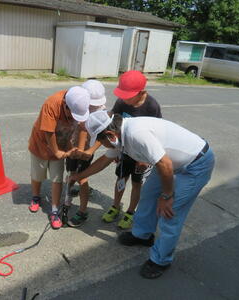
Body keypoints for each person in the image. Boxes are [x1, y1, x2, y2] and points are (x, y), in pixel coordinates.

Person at [70, 110, 215, 278]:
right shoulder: (119, 135)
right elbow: (104, 161)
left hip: (195, 164)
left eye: (101, 141)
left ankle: (161, 260)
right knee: (148, 195)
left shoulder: (136, 134)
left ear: (110, 134)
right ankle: (142, 235)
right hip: (169, 163)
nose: (103, 145)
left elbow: (165, 164)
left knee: (169, 212)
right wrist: (79, 176)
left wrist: (167, 196)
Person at [103, 70, 162, 230]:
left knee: (137, 183)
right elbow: (115, 124)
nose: (123, 98)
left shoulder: (152, 106)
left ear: (141, 92)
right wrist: (117, 147)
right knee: (121, 178)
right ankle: (115, 206)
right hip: (125, 151)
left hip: (142, 155)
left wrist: (145, 160)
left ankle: (130, 211)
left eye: (127, 95)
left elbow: (156, 134)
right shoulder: (122, 102)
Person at [28, 86, 90, 229]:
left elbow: (82, 128)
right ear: (65, 106)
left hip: (62, 143)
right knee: (38, 174)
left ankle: (54, 210)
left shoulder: (80, 100)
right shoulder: (52, 104)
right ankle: (36, 197)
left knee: (57, 178)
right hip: (41, 144)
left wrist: (78, 150)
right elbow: (49, 133)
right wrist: (56, 152)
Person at [63, 80, 107, 227]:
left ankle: (82, 211)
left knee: (82, 178)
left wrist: (89, 150)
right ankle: (67, 200)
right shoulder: (77, 103)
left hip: (87, 150)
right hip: (73, 146)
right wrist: (71, 146)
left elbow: (103, 135)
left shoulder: (102, 111)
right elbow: (75, 127)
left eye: (94, 104)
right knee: (70, 173)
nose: (92, 107)